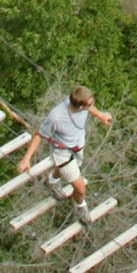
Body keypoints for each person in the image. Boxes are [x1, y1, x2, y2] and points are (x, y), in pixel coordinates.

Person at [20, 86, 113, 222]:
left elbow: (90, 107)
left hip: (78, 143)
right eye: (89, 104)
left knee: (66, 169)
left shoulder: (82, 104)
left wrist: (101, 115)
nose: (92, 105)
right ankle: (80, 206)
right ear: (81, 106)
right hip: (62, 152)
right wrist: (26, 159)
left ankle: (52, 180)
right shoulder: (56, 117)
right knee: (80, 188)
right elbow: (39, 135)